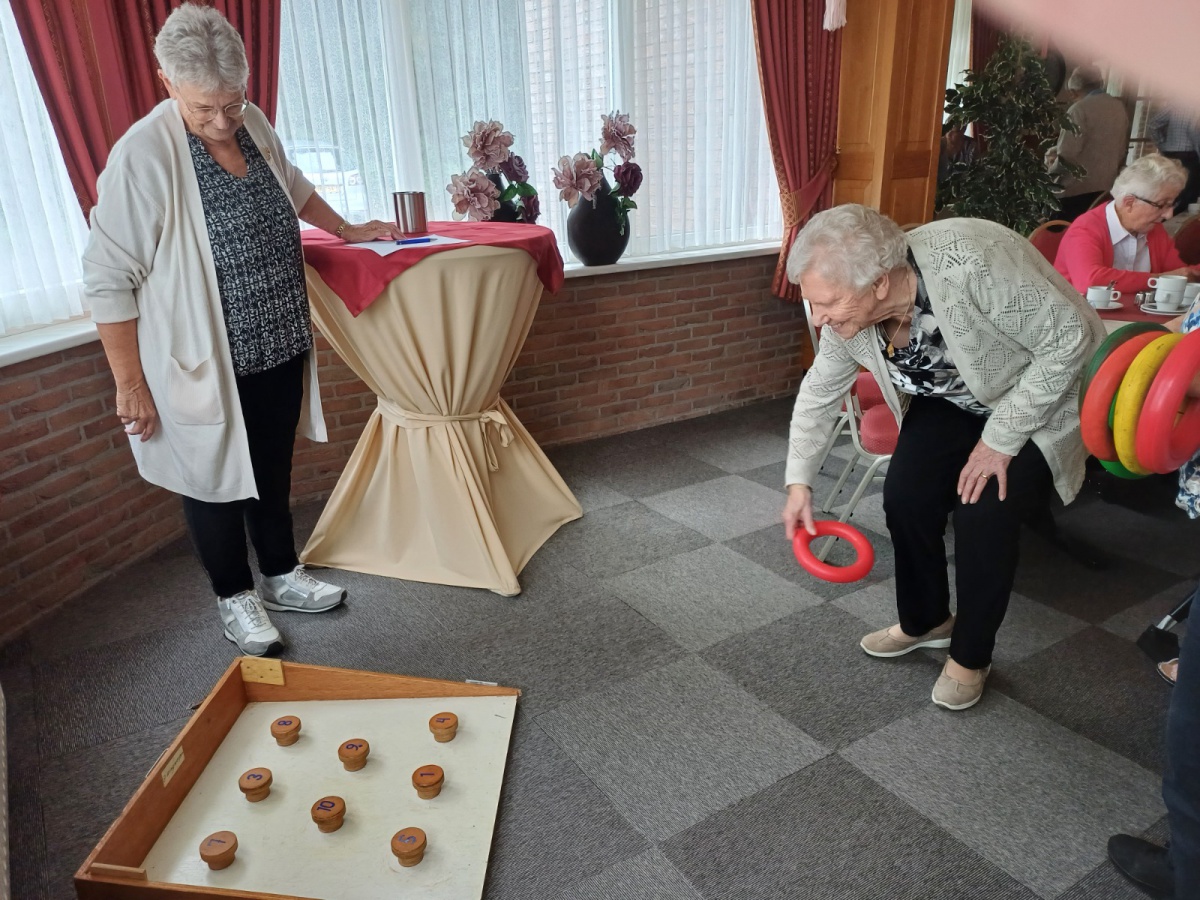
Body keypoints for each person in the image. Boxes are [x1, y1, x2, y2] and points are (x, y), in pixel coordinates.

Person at [83, 4, 401, 656]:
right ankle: (235, 598)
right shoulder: (142, 157)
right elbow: (107, 278)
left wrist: (345, 230)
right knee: (213, 481)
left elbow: (293, 182)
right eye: (206, 109)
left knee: (270, 467)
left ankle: (282, 575)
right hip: (204, 358)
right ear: (166, 81)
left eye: (234, 101)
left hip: (278, 340)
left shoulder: (250, 121)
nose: (224, 120)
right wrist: (129, 384)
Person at [782, 204, 1105, 711]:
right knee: (906, 497)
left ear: (881, 284)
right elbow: (819, 392)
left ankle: (971, 655)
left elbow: (1068, 340)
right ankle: (926, 620)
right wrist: (799, 481)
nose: (819, 319)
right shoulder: (854, 320)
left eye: (829, 304)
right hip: (953, 397)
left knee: (985, 512)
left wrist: (999, 441)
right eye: (812, 304)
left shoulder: (973, 260)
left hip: (1042, 392)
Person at [1054, 153, 1200, 293]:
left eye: (1171, 204)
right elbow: (1090, 282)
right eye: (1162, 205)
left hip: (1136, 316)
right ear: (1129, 203)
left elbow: (1181, 274)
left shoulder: (1154, 230)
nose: (1169, 215)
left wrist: (1186, 275)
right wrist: (1160, 279)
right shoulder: (1086, 229)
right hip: (1084, 316)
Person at [1046, 65, 1131, 220]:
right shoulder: (1118, 107)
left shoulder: (1079, 109)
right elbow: (1118, 149)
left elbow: (1067, 155)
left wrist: (1049, 175)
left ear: (1074, 91)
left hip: (1076, 190)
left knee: (1059, 236)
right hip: (1104, 190)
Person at [1149, 106, 1200, 214]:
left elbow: (1153, 123)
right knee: (1187, 195)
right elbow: (1193, 131)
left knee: (1167, 190)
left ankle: (1160, 219)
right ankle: (1178, 226)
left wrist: (1162, 144)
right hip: (1188, 155)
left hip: (1169, 154)